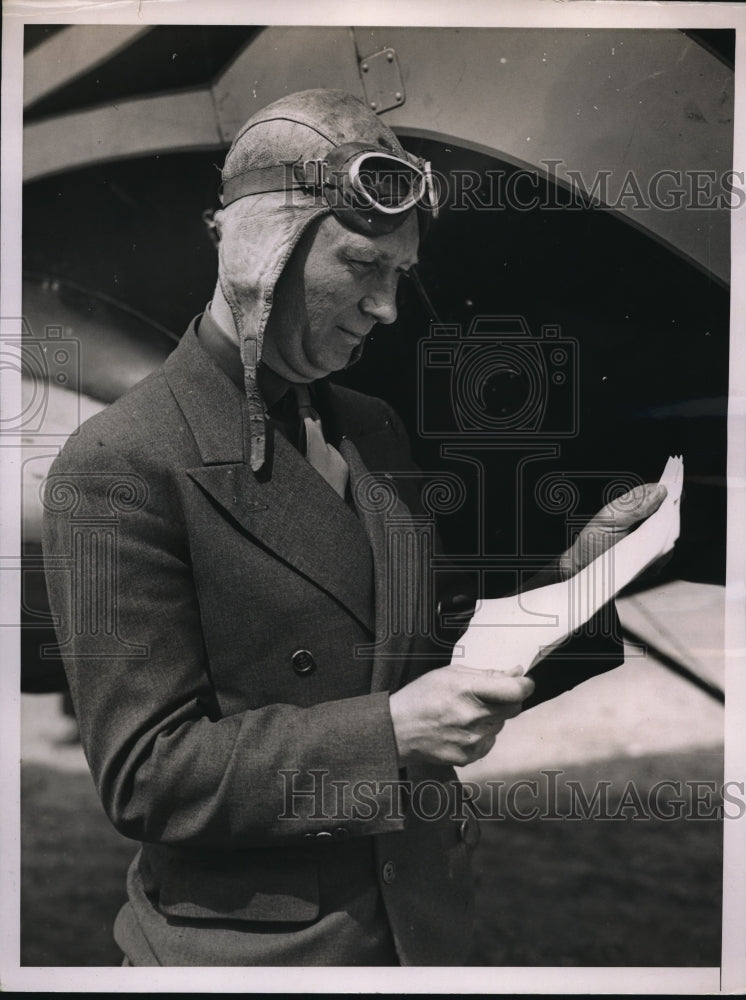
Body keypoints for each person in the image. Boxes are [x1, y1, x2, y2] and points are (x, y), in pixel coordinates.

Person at [41, 89, 664, 967]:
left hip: (416, 933)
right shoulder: (117, 463)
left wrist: (582, 576)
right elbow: (147, 776)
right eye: (364, 265)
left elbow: (423, 655)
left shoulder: (370, 426)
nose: (388, 308)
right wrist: (392, 735)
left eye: (401, 276)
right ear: (265, 250)